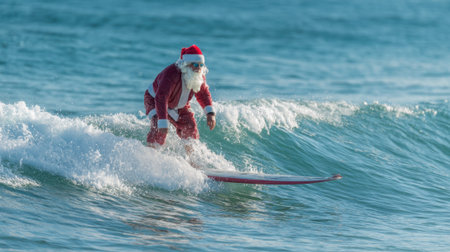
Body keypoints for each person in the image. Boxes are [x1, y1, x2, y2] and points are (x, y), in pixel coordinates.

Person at [144, 44, 216, 150]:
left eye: (201, 65)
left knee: (190, 128)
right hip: (155, 100)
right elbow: (161, 98)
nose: (199, 68)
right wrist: (163, 121)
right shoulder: (171, 74)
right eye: (195, 65)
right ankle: (151, 154)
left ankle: (190, 161)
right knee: (159, 128)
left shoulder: (198, 76)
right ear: (186, 64)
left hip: (179, 104)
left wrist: (210, 113)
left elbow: (203, 94)